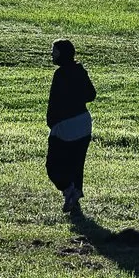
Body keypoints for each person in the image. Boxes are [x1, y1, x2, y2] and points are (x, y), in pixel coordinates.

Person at [44, 39, 96, 213]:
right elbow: (91, 94)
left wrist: (52, 122)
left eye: (55, 51)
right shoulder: (80, 70)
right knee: (76, 164)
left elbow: (54, 102)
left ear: (62, 53)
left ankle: (68, 190)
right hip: (84, 123)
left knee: (53, 165)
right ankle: (74, 197)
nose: (52, 54)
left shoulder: (60, 74)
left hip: (65, 125)